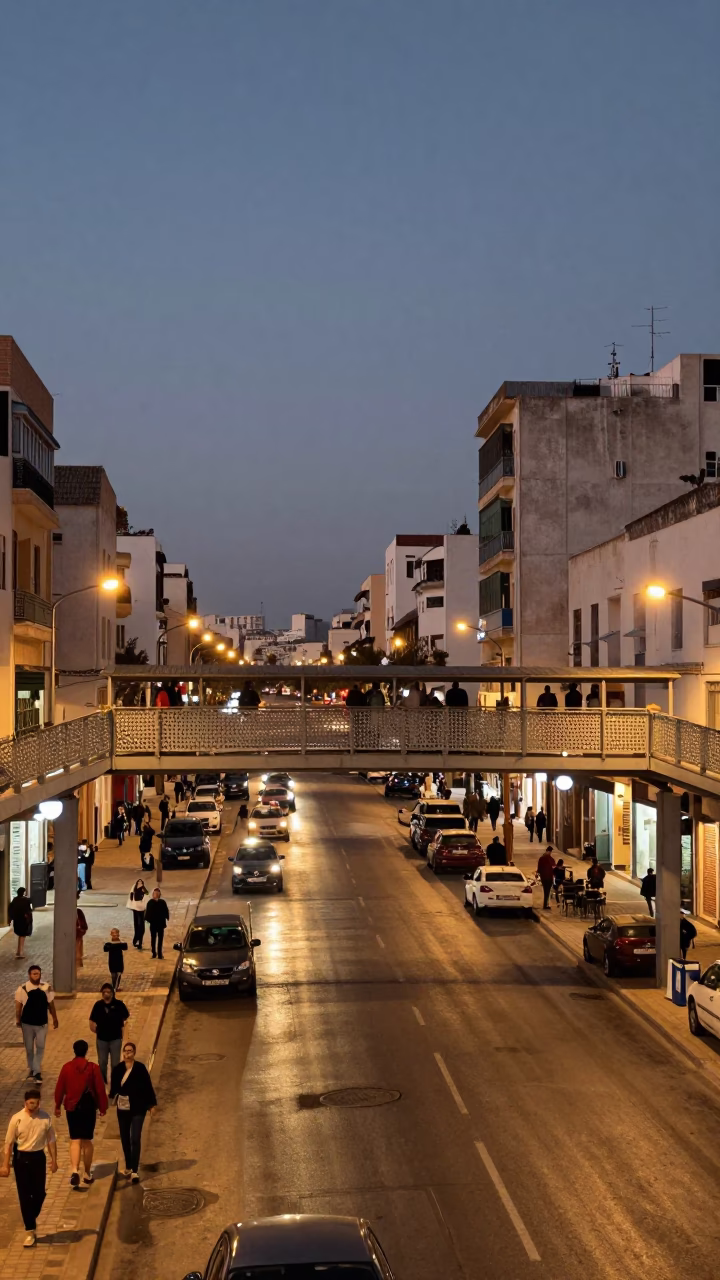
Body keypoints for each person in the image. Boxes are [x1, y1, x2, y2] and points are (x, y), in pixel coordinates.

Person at [0, 1088, 58, 1248]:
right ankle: (30, 1230)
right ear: (25, 1103)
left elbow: (51, 1139)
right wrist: (5, 1164)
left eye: (37, 1103)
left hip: (38, 1158)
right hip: (22, 1159)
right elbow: (9, 1143)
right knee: (25, 1195)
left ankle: (30, 1217)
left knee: (39, 1193)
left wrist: (54, 1160)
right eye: (31, 1103)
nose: (34, 1106)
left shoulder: (45, 1118)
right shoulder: (16, 1119)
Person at [54, 1040, 107, 1187]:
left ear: (74, 1050)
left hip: (72, 1108)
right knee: (87, 1141)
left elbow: (60, 1088)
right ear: (86, 1051)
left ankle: (74, 1170)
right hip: (88, 1108)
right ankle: (87, 1173)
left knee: (75, 1140)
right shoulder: (93, 1068)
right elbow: (100, 1090)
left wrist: (57, 1106)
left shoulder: (66, 1068)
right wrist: (103, 1108)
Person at [110, 1042, 157, 1183]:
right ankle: (129, 1166)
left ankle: (135, 1171)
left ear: (134, 1053)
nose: (127, 1054)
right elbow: (113, 1089)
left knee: (135, 1138)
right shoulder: (118, 1069)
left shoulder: (141, 1069)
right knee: (125, 1138)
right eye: (125, 1051)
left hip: (138, 1108)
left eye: (130, 1051)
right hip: (123, 1109)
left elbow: (148, 1087)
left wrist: (151, 1105)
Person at [15, 965, 58, 1084]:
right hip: (27, 1024)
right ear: (29, 975)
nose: (36, 976)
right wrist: (18, 1020)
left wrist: (55, 1018)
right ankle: (32, 1068)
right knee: (29, 1048)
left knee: (40, 1046)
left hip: (41, 1024)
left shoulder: (46, 988)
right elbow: (18, 1006)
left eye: (38, 973)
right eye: (34, 974)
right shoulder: (22, 989)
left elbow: (51, 1004)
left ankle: (37, 1072)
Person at [89, 984, 130, 1083]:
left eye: (108, 992)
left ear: (112, 993)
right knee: (102, 1062)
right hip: (102, 1039)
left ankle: (115, 1083)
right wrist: (95, 1029)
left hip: (115, 1038)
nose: (106, 994)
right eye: (104, 992)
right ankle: (103, 1082)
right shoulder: (98, 1005)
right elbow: (92, 1019)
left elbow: (126, 1016)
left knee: (115, 1063)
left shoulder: (119, 1004)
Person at [8, 887, 33, 959]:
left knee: (20, 935)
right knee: (22, 936)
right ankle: (20, 952)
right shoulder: (26, 900)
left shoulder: (15, 900)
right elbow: (29, 910)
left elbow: (11, 909)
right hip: (24, 921)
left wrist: (11, 918)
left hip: (17, 920)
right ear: (23, 892)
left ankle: (18, 951)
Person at [145, 888, 170, 959]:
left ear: (159, 895)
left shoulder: (162, 902)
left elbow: (166, 911)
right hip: (153, 924)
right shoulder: (150, 902)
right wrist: (149, 919)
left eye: (157, 893)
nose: (155, 895)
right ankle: (153, 953)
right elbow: (148, 912)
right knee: (153, 939)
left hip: (160, 923)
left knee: (160, 939)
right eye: (154, 893)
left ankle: (159, 953)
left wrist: (166, 917)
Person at [127, 879, 149, 949]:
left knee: (141, 926)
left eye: (141, 882)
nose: (139, 883)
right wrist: (131, 905)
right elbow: (131, 896)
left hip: (141, 909)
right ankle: (136, 939)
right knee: (137, 925)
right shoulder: (134, 887)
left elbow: (147, 896)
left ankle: (140, 941)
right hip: (135, 908)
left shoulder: (143, 889)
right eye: (138, 882)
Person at [536, 846, 557, 910]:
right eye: (549, 852)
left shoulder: (543, 858)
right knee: (547, 891)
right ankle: (545, 905)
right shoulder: (549, 859)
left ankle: (546, 904)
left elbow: (539, 868)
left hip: (546, 877)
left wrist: (538, 873)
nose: (550, 853)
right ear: (548, 851)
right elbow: (554, 868)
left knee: (547, 891)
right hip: (547, 877)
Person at [76, 895, 88, 970]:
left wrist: (79, 931)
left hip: (77, 939)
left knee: (76, 956)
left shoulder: (78, 912)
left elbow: (84, 927)